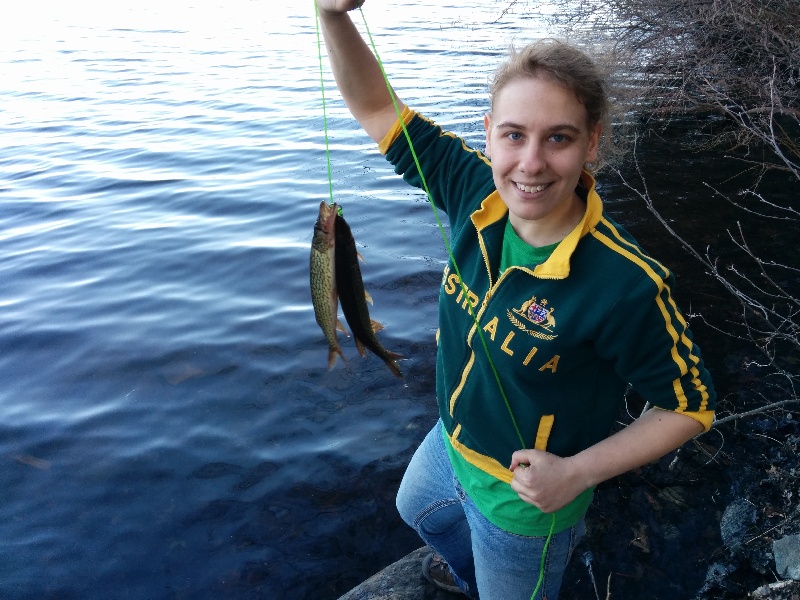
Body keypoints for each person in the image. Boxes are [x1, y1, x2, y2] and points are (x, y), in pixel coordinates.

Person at [315, 2, 717, 599]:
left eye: (559, 138)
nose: (530, 163)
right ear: (489, 134)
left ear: (592, 144)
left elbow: (689, 406)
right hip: (452, 442)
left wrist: (575, 475)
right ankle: (466, 572)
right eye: (514, 135)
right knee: (415, 508)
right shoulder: (471, 185)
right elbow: (377, 107)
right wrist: (332, 17)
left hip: (526, 504)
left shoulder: (626, 283)